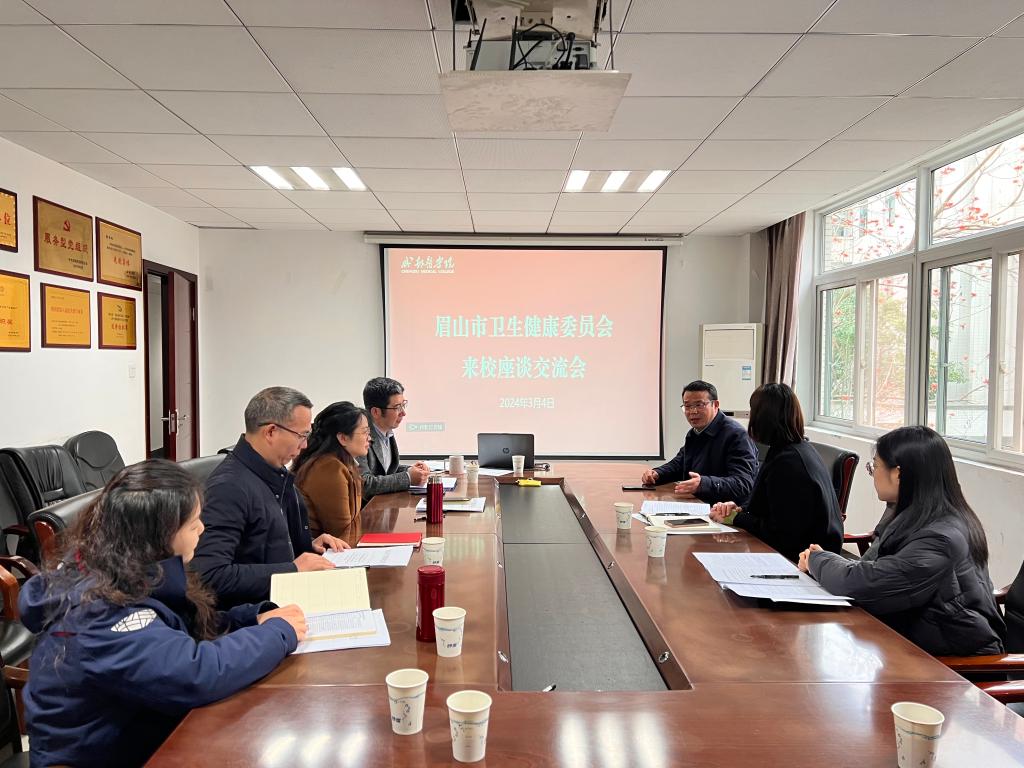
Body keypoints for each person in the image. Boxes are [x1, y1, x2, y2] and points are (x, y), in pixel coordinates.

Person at [19, 460, 307, 768]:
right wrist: (277, 633)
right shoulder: (98, 613)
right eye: (193, 523)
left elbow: (177, 631)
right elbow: (195, 673)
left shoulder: (123, 570)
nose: (202, 529)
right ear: (158, 536)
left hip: (141, 735)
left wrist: (251, 618)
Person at [799, 426, 1005, 657]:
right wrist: (825, 560)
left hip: (955, 663)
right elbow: (870, 568)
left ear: (898, 474)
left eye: (875, 466)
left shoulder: (941, 538)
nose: (872, 474)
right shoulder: (911, 513)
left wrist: (818, 560)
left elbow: (863, 583)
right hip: (912, 643)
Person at [192, 386, 349, 608]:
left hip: (289, 598)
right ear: (271, 432)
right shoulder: (228, 487)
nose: (305, 445)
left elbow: (261, 544)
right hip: (257, 613)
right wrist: (293, 569)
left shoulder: (274, 472)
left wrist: (307, 547)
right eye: (301, 435)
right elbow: (209, 575)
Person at [710, 383, 843, 561]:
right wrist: (740, 509)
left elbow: (779, 532)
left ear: (763, 418)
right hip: (803, 552)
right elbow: (772, 505)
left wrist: (736, 518)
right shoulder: (796, 448)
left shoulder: (788, 463)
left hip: (803, 560)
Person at [640, 380, 758, 504]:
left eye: (699, 405)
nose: (693, 411)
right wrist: (657, 473)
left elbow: (743, 483)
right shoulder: (695, 433)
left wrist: (703, 484)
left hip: (726, 511)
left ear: (715, 405)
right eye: (687, 406)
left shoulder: (737, 435)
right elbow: (679, 464)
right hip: (698, 504)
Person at [293, 401, 371, 538]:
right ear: (343, 438)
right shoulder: (329, 468)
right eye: (365, 432)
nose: (369, 438)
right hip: (323, 549)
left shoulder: (343, 463)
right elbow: (341, 533)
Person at [357, 377, 430, 500]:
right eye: (397, 407)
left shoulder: (386, 430)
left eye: (403, 405)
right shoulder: (360, 436)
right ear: (376, 412)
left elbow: (387, 470)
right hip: (368, 509)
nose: (403, 413)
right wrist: (408, 477)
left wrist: (411, 470)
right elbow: (365, 484)